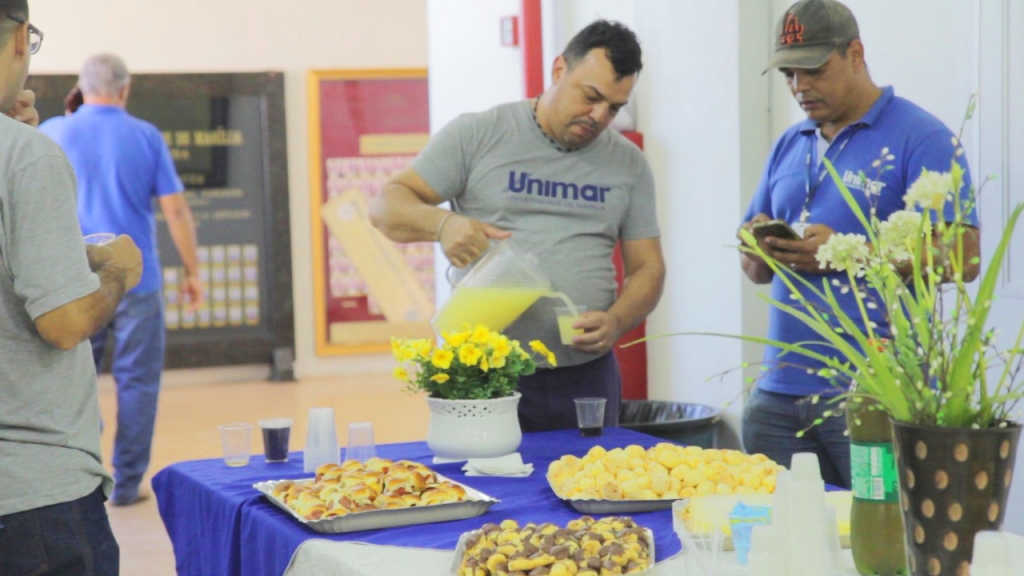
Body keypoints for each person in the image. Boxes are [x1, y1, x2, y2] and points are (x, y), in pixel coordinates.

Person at [370, 20, 665, 432]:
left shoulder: (628, 164)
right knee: (488, 492)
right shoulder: (478, 135)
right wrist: (444, 224)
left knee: (589, 489)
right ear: (559, 70)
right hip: (485, 370)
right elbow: (386, 206)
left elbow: (648, 268)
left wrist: (616, 320)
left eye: (614, 107)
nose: (599, 116)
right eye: (591, 97)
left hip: (586, 374)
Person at [738, 0, 979, 488]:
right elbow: (757, 270)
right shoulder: (791, 142)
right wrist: (759, 249)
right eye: (789, 74)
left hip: (874, 393)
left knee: (884, 548)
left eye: (813, 70)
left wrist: (844, 252)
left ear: (855, 53)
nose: (799, 87)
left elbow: (965, 257)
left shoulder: (922, 137)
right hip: (777, 395)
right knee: (788, 550)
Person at [0, 1, 143, 573]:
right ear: (18, 41)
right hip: (34, 497)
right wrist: (116, 272)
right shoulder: (27, 155)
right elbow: (62, 323)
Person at [40, 53, 203, 506]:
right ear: (125, 89)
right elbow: (175, 209)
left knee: (76, 380)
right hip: (136, 281)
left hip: (72, 278)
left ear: (80, 86)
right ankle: (127, 484)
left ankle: (84, 480)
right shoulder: (145, 135)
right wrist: (193, 271)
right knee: (137, 381)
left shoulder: (52, 131)